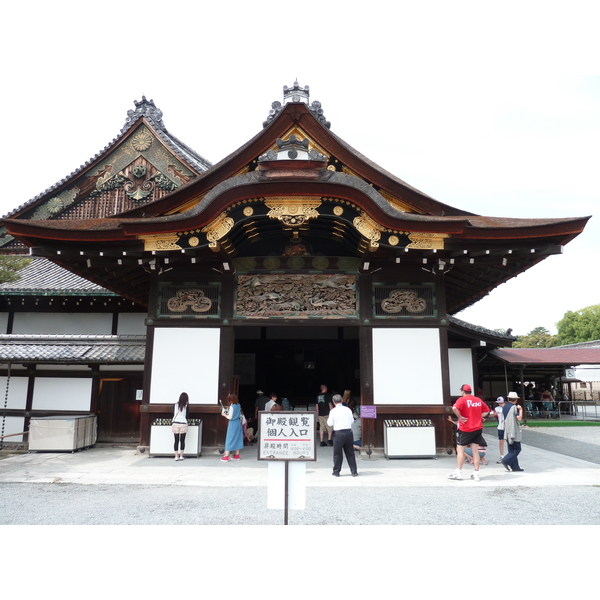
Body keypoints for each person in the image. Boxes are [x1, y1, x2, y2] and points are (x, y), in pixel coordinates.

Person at [448, 384, 490, 482]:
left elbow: (454, 408)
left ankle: (458, 472)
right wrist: (478, 416)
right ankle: (476, 474)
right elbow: (487, 411)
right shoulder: (478, 400)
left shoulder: (461, 400)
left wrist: (460, 417)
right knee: (475, 451)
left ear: (462, 391)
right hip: (478, 428)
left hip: (466, 428)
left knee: (460, 449)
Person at [327, 394, 358, 477]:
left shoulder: (333, 411)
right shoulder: (348, 410)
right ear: (341, 401)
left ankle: (336, 471)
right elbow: (352, 421)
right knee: (350, 453)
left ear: (333, 402)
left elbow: (329, 423)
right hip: (348, 432)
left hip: (338, 433)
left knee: (337, 453)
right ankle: (354, 471)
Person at [501, 391, 524, 472]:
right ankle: (505, 460)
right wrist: (521, 410)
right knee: (517, 448)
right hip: (513, 430)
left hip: (507, 430)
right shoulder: (514, 407)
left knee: (511, 449)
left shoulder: (504, 406)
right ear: (516, 400)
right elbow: (519, 418)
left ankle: (515, 467)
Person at [220, 393, 244, 462]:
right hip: (238, 423)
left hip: (232, 424)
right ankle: (237, 455)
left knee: (229, 439)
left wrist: (224, 414)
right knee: (237, 438)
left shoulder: (232, 407)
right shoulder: (238, 405)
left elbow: (230, 417)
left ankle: (226, 456)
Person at [172, 392, 189, 461]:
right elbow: (187, 415)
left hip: (176, 423)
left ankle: (176, 456)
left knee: (176, 440)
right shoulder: (186, 406)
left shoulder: (175, 405)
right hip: (183, 423)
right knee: (182, 440)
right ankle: (181, 455)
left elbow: (173, 413)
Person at [492, 396, 506, 463]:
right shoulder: (497, 408)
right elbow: (490, 415)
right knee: (501, 442)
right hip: (501, 426)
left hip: (507, 426)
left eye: (501, 403)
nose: (500, 404)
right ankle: (502, 456)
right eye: (499, 403)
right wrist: (495, 414)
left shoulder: (507, 407)